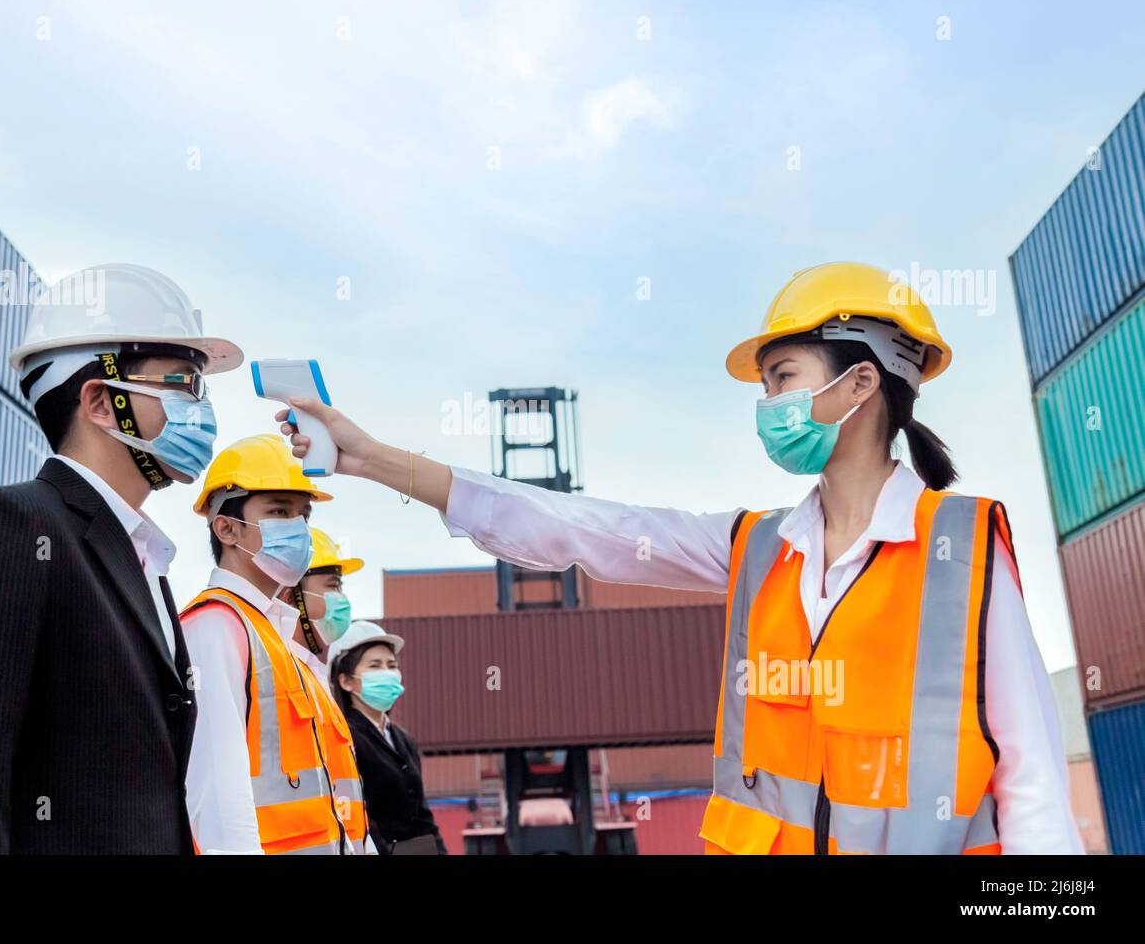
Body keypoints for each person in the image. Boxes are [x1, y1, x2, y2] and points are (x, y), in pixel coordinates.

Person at [278, 262, 1086, 855]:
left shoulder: (964, 548)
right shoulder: (758, 549)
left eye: (782, 378)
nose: (766, 404)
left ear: (860, 384)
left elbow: (1034, 786)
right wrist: (374, 458)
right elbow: (579, 528)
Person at [0, 263, 239, 853]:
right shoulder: (13, 527)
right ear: (100, 402)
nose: (202, 409)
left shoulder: (143, 560)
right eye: (183, 384)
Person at [180, 434, 372, 854]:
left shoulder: (280, 641)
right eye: (279, 511)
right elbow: (217, 803)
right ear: (226, 528)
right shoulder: (215, 625)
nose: (300, 529)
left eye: (304, 515)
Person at [328, 620, 447, 855]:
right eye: (375, 665)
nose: (387, 672)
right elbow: (359, 816)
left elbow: (423, 816)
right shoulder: (343, 737)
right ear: (346, 681)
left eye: (391, 665)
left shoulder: (403, 740)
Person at [286, 527, 363, 688]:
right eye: (333, 585)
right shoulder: (279, 670)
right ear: (291, 597)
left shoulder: (313, 672)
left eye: (340, 586)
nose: (341, 596)